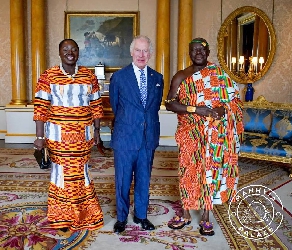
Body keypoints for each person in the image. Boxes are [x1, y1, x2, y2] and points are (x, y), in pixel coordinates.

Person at [165, 37, 244, 236]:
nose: (198, 53)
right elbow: (170, 103)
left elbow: (234, 102)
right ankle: (185, 213)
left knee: (209, 173)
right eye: (194, 50)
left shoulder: (219, 74)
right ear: (189, 53)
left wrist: (222, 109)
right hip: (189, 134)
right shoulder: (181, 76)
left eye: (202, 49)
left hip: (213, 136)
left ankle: (206, 216)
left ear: (208, 53)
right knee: (187, 172)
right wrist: (196, 110)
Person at [33, 38, 104, 232]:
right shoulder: (48, 76)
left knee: (82, 173)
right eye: (65, 49)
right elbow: (40, 108)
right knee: (61, 175)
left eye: (73, 49)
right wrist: (40, 137)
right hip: (58, 138)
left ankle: (84, 214)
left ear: (78, 52)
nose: (70, 52)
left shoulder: (89, 76)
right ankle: (62, 218)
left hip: (83, 137)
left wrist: (97, 131)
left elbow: (96, 107)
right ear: (59, 52)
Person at [109, 35, 164, 233]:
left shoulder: (157, 78)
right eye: (138, 50)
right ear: (131, 52)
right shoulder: (119, 77)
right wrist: (130, 123)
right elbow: (116, 106)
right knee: (123, 180)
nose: (141, 55)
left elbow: (154, 107)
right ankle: (122, 218)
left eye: (145, 51)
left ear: (150, 54)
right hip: (125, 137)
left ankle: (141, 215)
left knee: (144, 179)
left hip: (147, 137)